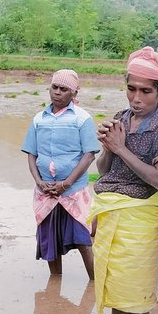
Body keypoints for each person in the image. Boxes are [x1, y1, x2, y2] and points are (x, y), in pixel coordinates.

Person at [89, 47, 158, 314]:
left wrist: (120, 148)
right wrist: (107, 147)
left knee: (137, 301)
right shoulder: (121, 118)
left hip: (141, 216)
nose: (136, 97)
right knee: (117, 298)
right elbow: (103, 170)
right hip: (112, 211)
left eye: (146, 91)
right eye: (131, 88)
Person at [21, 69, 99, 279]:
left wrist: (66, 183)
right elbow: (31, 154)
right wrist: (38, 182)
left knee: (83, 239)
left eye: (63, 89)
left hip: (73, 192)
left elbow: (89, 155)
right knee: (49, 242)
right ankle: (54, 288)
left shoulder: (82, 119)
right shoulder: (39, 119)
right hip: (46, 192)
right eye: (54, 87)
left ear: (73, 93)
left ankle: (95, 284)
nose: (57, 92)